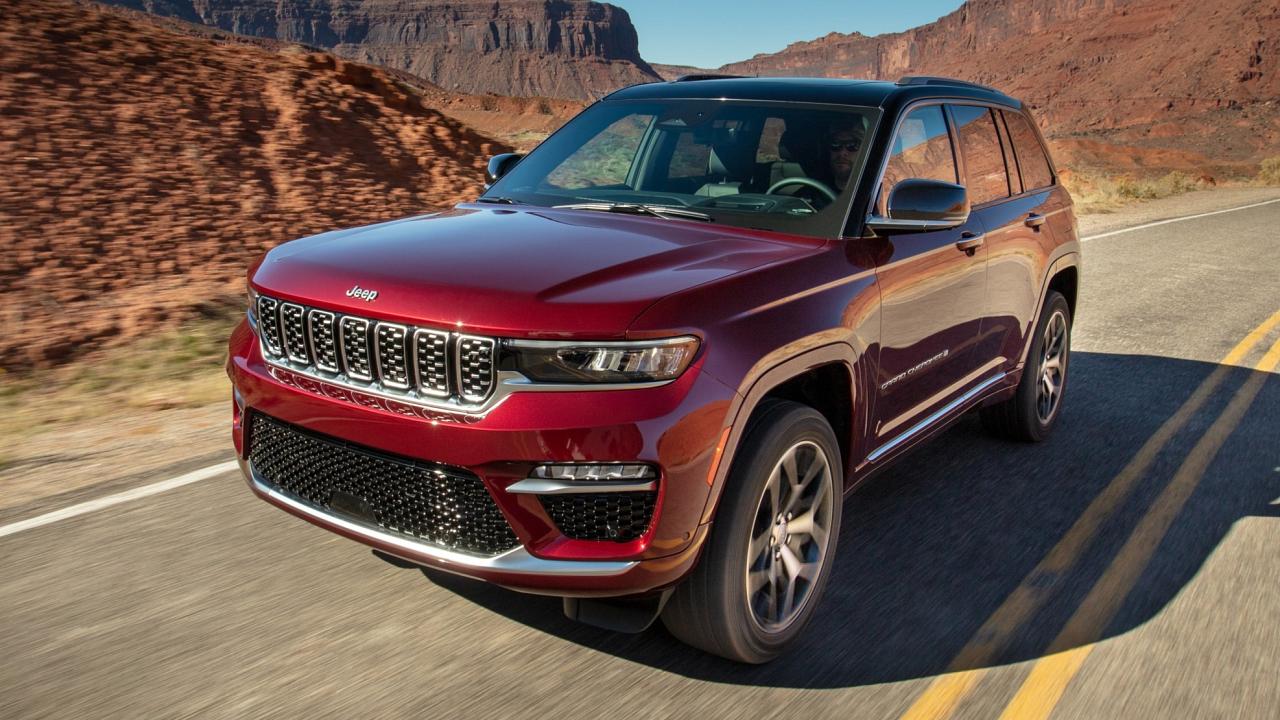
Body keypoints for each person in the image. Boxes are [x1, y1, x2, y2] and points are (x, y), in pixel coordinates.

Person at [826, 121, 865, 193]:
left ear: (864, 151)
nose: (842, 153)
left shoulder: (871, 190)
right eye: (835, 144)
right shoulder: (813, 190)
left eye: (852, 145)